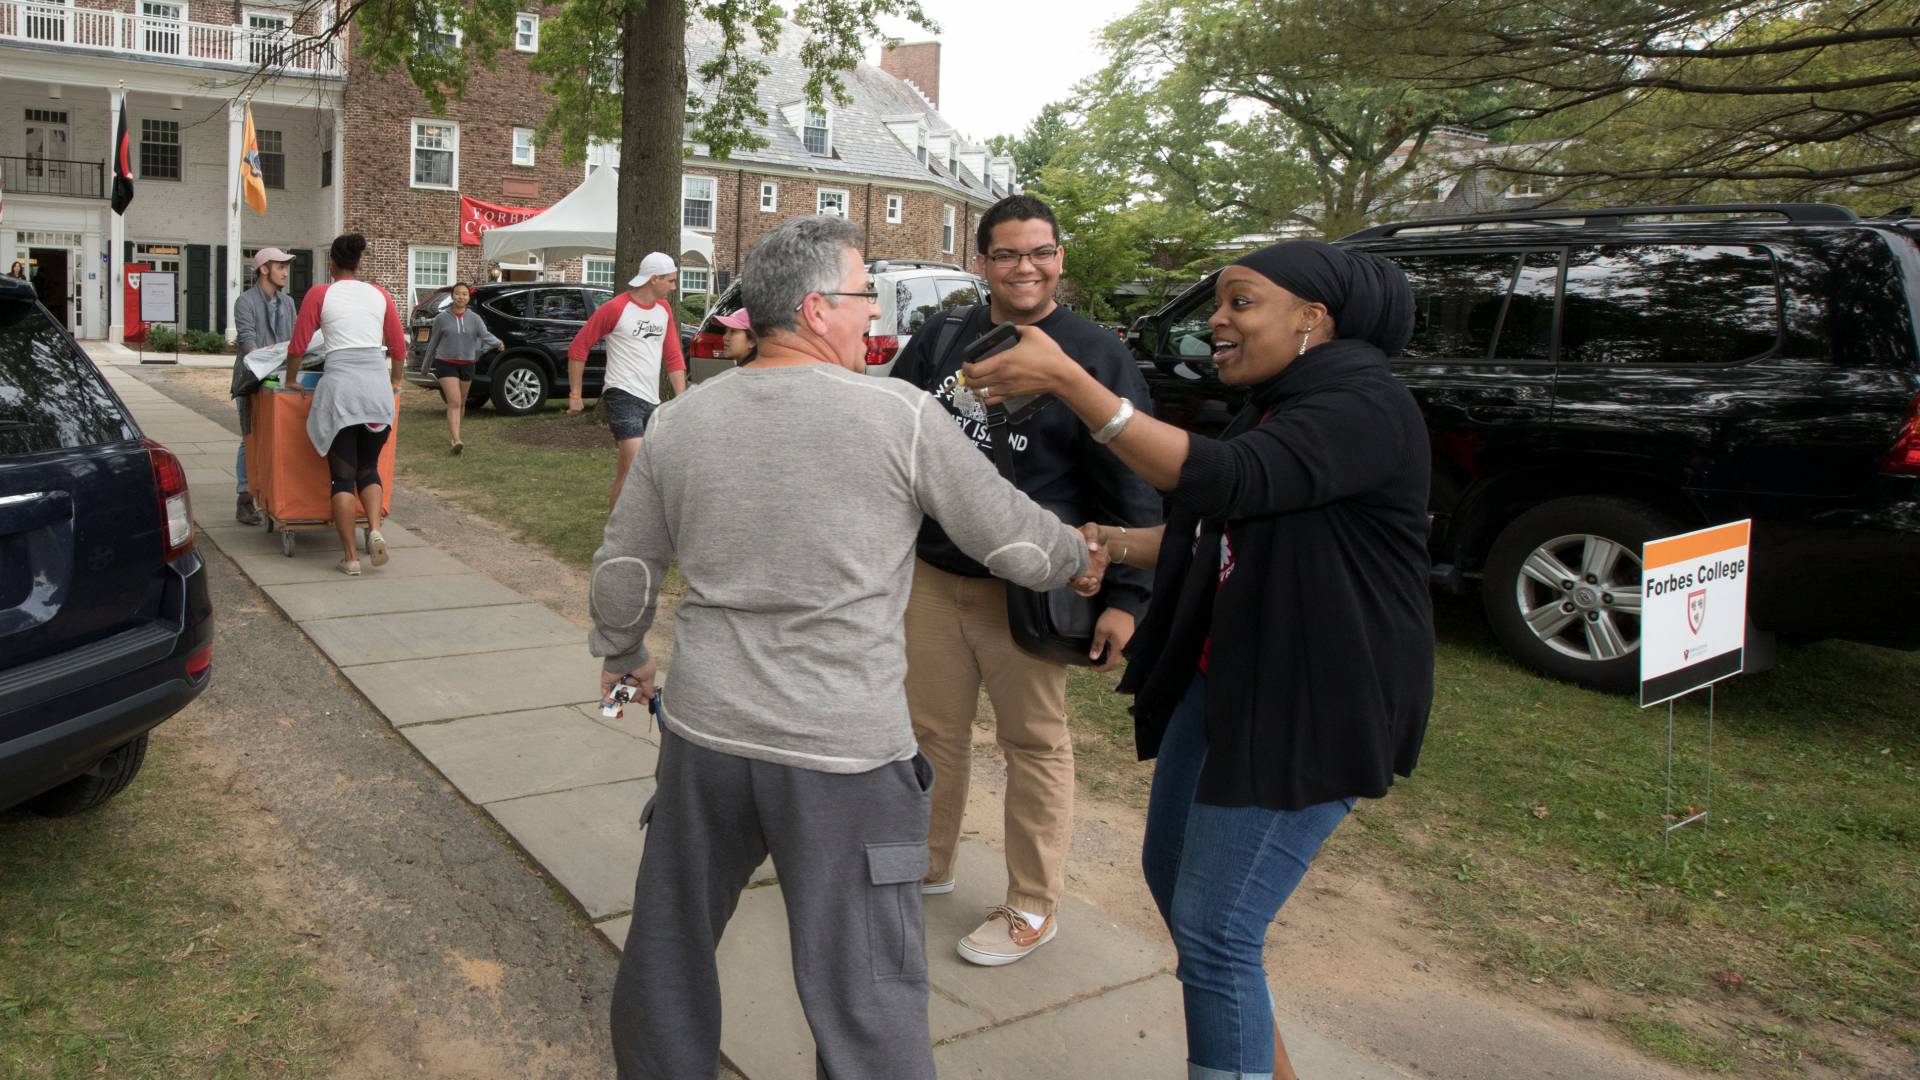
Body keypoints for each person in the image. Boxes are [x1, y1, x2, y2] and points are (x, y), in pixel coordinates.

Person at [588, 215, 1108, 1080]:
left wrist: (623, 655)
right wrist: (1078, 556)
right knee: (867, 987)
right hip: (846, 757)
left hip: (707, 739)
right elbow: (1014, 545)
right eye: (866, 297)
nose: (874, 315)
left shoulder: (681, 422)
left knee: (669, 944)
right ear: (819, 307)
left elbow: (625, 568)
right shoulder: (898, 416)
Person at [962, 239, 1435, 1080]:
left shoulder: (1363, 404)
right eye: (1220, 302)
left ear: (1313, 319)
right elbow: (1218, 529)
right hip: (1226, 686)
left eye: (1241, 302)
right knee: (1175, 875)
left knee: (1218, 934)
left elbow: (1227, 483)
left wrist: (1074, 382)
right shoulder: (1281, 401)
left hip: (1308, 704)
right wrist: (1110, 544)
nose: (1217, 320)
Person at [889, 193, 1160, 967]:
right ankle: (928, 862)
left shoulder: (1094, 356)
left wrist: (1127, 600)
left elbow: (1132, 483)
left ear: (1059, 258)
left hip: (1035, 586)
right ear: (983, 263)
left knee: (1034, 743)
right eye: (1007, 254)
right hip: (937, 576)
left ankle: (1032, 905)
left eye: (1039, 252)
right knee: (929, 732)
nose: (1025, 268)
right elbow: (897, 428)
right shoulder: (946, 336)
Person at [287, 233, 408, 577]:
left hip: (342, 391)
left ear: (331, 264)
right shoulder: (380, 294)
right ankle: (374, 530)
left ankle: (350, 557)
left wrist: (291, 379)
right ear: (359, 263)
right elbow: (398, 348)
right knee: (368, 468)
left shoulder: (320, 294)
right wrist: (395, 382)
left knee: (342, 478)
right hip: (375, 390)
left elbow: (298, 345)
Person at [567, 252, 688, 506]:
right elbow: (579, 348)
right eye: (671, 281)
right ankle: (622, 538)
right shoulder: (616, 308)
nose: (675, 287)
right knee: (634, 465)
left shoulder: (664, 309)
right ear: (654, 279)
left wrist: (682, 399)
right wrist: (575, 395)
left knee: (627, 473)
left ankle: (619, 534)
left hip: (651, 400)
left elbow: (674, 356)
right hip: (621, 394)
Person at [230, 247, 297, 525]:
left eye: (286, 267)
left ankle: (273, 494)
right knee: (250, 437)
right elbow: (248, 342)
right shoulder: (245, 302)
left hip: (279, 380)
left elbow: (293, 341)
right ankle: (244, 497)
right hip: (251, 379)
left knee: (279, 437)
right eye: (280, 266)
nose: (285, 272)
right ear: (264, 269)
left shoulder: (288, 303)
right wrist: (265, 363)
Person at [422, 282, 502, 455]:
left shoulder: (475, 318)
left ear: (468, 297)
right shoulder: (441, 318)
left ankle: (454, 434)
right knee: (454, 401)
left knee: (462, 402)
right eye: (458, 293)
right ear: (452, 296)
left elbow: (484, 335)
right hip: (446, 363)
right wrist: (425, 367)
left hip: (467, 364)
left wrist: (498, 343)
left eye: (464, 294)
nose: (461, 297)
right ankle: (457, 440)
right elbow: (433, 343)